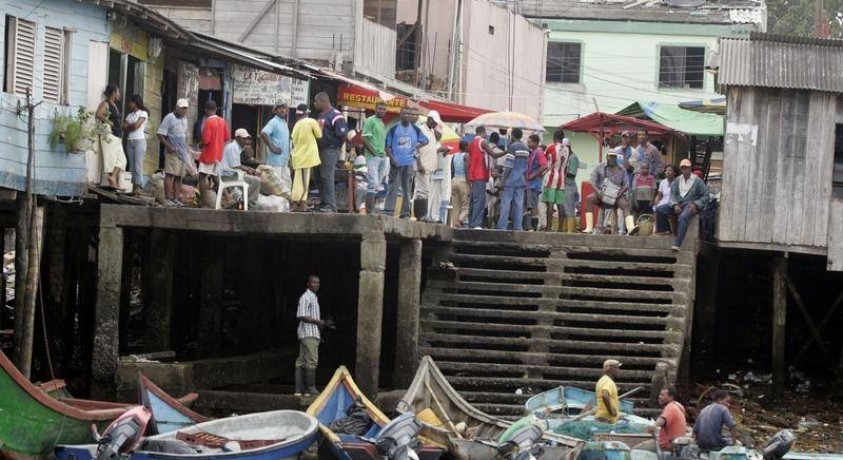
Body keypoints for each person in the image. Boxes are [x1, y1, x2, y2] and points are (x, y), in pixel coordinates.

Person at [384, 107, 428, 218]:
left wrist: (415, 147)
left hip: (409, 163)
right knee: (393, 188)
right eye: (404, 113)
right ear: (400, 114)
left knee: (407, 190)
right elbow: (387, 147)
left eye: (409, 113)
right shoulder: (393, 129)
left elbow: (425, 141)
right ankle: (389, 211)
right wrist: (392, 159)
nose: (407, 115)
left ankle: (405, 213)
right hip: (396, 163)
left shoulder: (416, 130)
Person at [655, 158, 707, 251]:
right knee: (660, 209)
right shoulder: (677, 181)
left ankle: (678, 243)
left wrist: (696, 204)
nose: (684, 170)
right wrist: (675, 205)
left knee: (684, 217)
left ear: (690, 168)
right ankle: (665, 230)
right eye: (683, 168)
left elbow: (705, 196)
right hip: (679, 203)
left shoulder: (698, 181)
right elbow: (672, 195)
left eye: (686, 168)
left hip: (690, 204)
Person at [294, 275, 333, 397]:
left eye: (318, 282)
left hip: (311, 332)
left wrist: (323, 325)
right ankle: (310, 388)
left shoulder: (313, 298)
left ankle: (299, 390)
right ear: (308, 284)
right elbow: (301, 315)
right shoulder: (305, 297)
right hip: (308, 333)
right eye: (313, 282)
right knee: (312, 361)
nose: (316, 284)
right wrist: (319, 322)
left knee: (301, 361)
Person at [313, 92, 349, 213]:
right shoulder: (320, 115)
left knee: (326, 176)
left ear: (322, 101)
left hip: (330, 149)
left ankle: (331, 206)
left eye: (316, 101)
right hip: (319, 150)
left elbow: (343, 134)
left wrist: (337, 148)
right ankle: (323, 202)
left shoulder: (335, 115)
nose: (314, 104)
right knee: (318, 177)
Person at [583, 149, 632, 235]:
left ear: (616, 158)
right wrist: (598, 191)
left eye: (614, 157)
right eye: (610, 156)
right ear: (607, 157)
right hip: (601, 195)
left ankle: (630, 227)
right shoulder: (599, 167)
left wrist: (620, 192)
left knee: (625, 204)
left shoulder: (622, 169)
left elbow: (627, 185)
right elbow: (592, 181)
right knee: (589, 199)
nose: (612, 158)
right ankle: (589, 227)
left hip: (616, 196)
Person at [157, 99, 194, 207]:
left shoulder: (185, 119)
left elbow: (186, 136)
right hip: (172, 152)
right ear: (176, 107)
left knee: (179, 177)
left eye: (185, 108)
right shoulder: (169, 118)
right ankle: (168, 198)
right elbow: (160, 134)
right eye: (182, 108)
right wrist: (169, 146)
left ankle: (176, 198)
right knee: (170, 175)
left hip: (182, 153)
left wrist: (187, 150)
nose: (184, 110)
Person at [466, 126, 504, 229]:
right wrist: (506, 152)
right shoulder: (482, 142)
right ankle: (476, 224)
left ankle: (471, 223)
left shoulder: (471, 143)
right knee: (480, 200)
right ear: (483, 132)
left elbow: (469, 160)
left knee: (474, 200)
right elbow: (494, 155)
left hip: (473, 175)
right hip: (480, 174)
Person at [416, 111, 449, 222]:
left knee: (425, 191)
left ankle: (423, 215)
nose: (435, 125)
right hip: (422, 165)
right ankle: (421, 215)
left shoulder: (431, 131)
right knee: (422, 191)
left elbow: (431, 149)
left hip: (429, 166)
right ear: (429, 119)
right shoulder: (421, 130)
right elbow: (416, 148)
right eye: (434, 123)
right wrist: (419, 164)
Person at [290, 103, 322, 212]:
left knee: (297, 180)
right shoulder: (311, 121)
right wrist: (320, 127)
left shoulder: (296, 124)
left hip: (297, 156)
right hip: (307, 156)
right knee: (304, 181)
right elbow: (319, 135)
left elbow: (293, 139)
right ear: (307, 113)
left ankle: (295, 203)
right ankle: (301, 203)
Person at [198, 100, 229, 207]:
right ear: (216, 109)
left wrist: (201, 144)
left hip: (209, 154)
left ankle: (204, 201)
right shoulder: (222, 121)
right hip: (218, 155)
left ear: (206, 110)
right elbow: (226, 137)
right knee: (215, 177)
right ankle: (228, 197)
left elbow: (206, 140)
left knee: (202, 177)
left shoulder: (208, 122)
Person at [496, 128, 529, 231]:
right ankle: (518, 227)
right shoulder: (526, 148)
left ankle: (502, 226)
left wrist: (503, 181)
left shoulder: (512, 147)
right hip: (521, 179)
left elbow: (509, 165)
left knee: (506, 203)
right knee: (519, 205)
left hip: (511, 180)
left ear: (513, 136)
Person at [220, 128, 261, 208]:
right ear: (237, 138)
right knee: (256, 181)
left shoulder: (237, 148)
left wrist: (250, 170)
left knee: (255, 179)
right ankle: (246, 203)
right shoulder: (233, 147)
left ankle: (246, 202)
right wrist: (249, 169)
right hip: (228, 176)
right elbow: (236, 166)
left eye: (246, 138)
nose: (245, 140)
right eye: (243, 138)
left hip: (232, 174)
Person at [95, 85, 127, 189]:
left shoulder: (114, 105)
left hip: (117, 135)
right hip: (110, 135)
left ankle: (113, 177)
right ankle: (113, 183)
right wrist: (108, 121)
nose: (119, 94)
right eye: (118, 92)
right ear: (113, 93)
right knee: (111, 159)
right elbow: (98, 114)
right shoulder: (106, 103)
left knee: (122, 160)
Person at [638, 387, 687, 452]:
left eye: (663, 395)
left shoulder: (670, 407)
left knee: (636, 450)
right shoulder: (679, 406)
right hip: (678, 444)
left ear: (671, 397)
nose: (659, 397)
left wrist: (654, 425)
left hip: (667, 446)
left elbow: (663, 419)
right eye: (660, 394)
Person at [362, 102, 389, 213]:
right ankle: (370, 210)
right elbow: (364, 139)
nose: (382, 111)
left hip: (382, 156)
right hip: (373, 156)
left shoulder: (382, 123)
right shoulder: (370, 121)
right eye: (380, 108)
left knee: (377, 184)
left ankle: (370, 208)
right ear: (375, 109)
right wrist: (374, 153)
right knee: (372, 183)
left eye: (384, 109)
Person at [542, 130, 568, 232]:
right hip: (561, 177)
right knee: (560, 204)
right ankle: (560, 229)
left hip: (551, 176)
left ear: (554, 137)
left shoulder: (551, 147)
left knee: (550, 203)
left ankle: (548, 228)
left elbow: (544, 159)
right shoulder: (566, 149)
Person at [123, 95, 148, 193]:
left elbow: (137, 126)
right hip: (130, 141)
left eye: (131, 103)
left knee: (138, 165)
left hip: (139, 141)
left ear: (135, 103)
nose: (129, 105)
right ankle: (133, 187)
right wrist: (130, 127)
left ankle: (139, 186)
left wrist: (129, 127)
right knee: (132, 166)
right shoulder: (129, 115)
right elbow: (124, 128)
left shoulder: (143, 113)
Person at [524, 134, 548, 231]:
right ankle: (531, 226)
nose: (528, 144)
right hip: (530, 184)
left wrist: (534, 175)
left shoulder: (539, 152)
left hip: (534, 184)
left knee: (532, 206)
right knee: (530, 205)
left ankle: (533, 227)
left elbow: (544, 166)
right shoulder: (533, 152)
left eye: (529, 142)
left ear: (535, 142)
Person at [450, 139, 470, 228]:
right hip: (463, 181)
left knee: (456, 206)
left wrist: (452, 180)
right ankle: (460, 220)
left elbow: (452, 170)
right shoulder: (466, 156)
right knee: (466, 206)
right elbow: (467, 170)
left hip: (454, 180)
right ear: (465, 147)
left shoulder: (454, 156)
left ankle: (455, 226)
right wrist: (469, 183)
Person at [595, 359, 622, 424]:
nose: (618, 370)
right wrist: (611, 410)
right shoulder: (608, 381)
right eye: (617, 368)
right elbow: (605, 395)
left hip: (602, 418)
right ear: (610, 369)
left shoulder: (602, 380)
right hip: (606, 419)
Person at [562, 141, 580, 232]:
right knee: (563, 210)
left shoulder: (573, 158)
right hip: (562, 185)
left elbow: (572, 174)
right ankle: (564, 230)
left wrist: (561, 171)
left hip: (569, 186)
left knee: (569, 210)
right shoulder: (564, 157)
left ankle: (570, 231)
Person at [652, 164, 677, 231]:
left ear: (674, 173)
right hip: (663, 200)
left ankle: (665, 229)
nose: (667, 172)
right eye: (666, 170)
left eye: (670, 170)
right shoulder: (663, 182)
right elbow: (659, 195)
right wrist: (656, 201)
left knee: (661, 209)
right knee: (655, 207)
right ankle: (657, 228)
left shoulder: (677, 182)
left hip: (672, 201)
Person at [353, 146, 369, 214]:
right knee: (362, 206)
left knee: (360, 206)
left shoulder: (359, 159)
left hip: (360, 187)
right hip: (365, 186)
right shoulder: (364, 159)